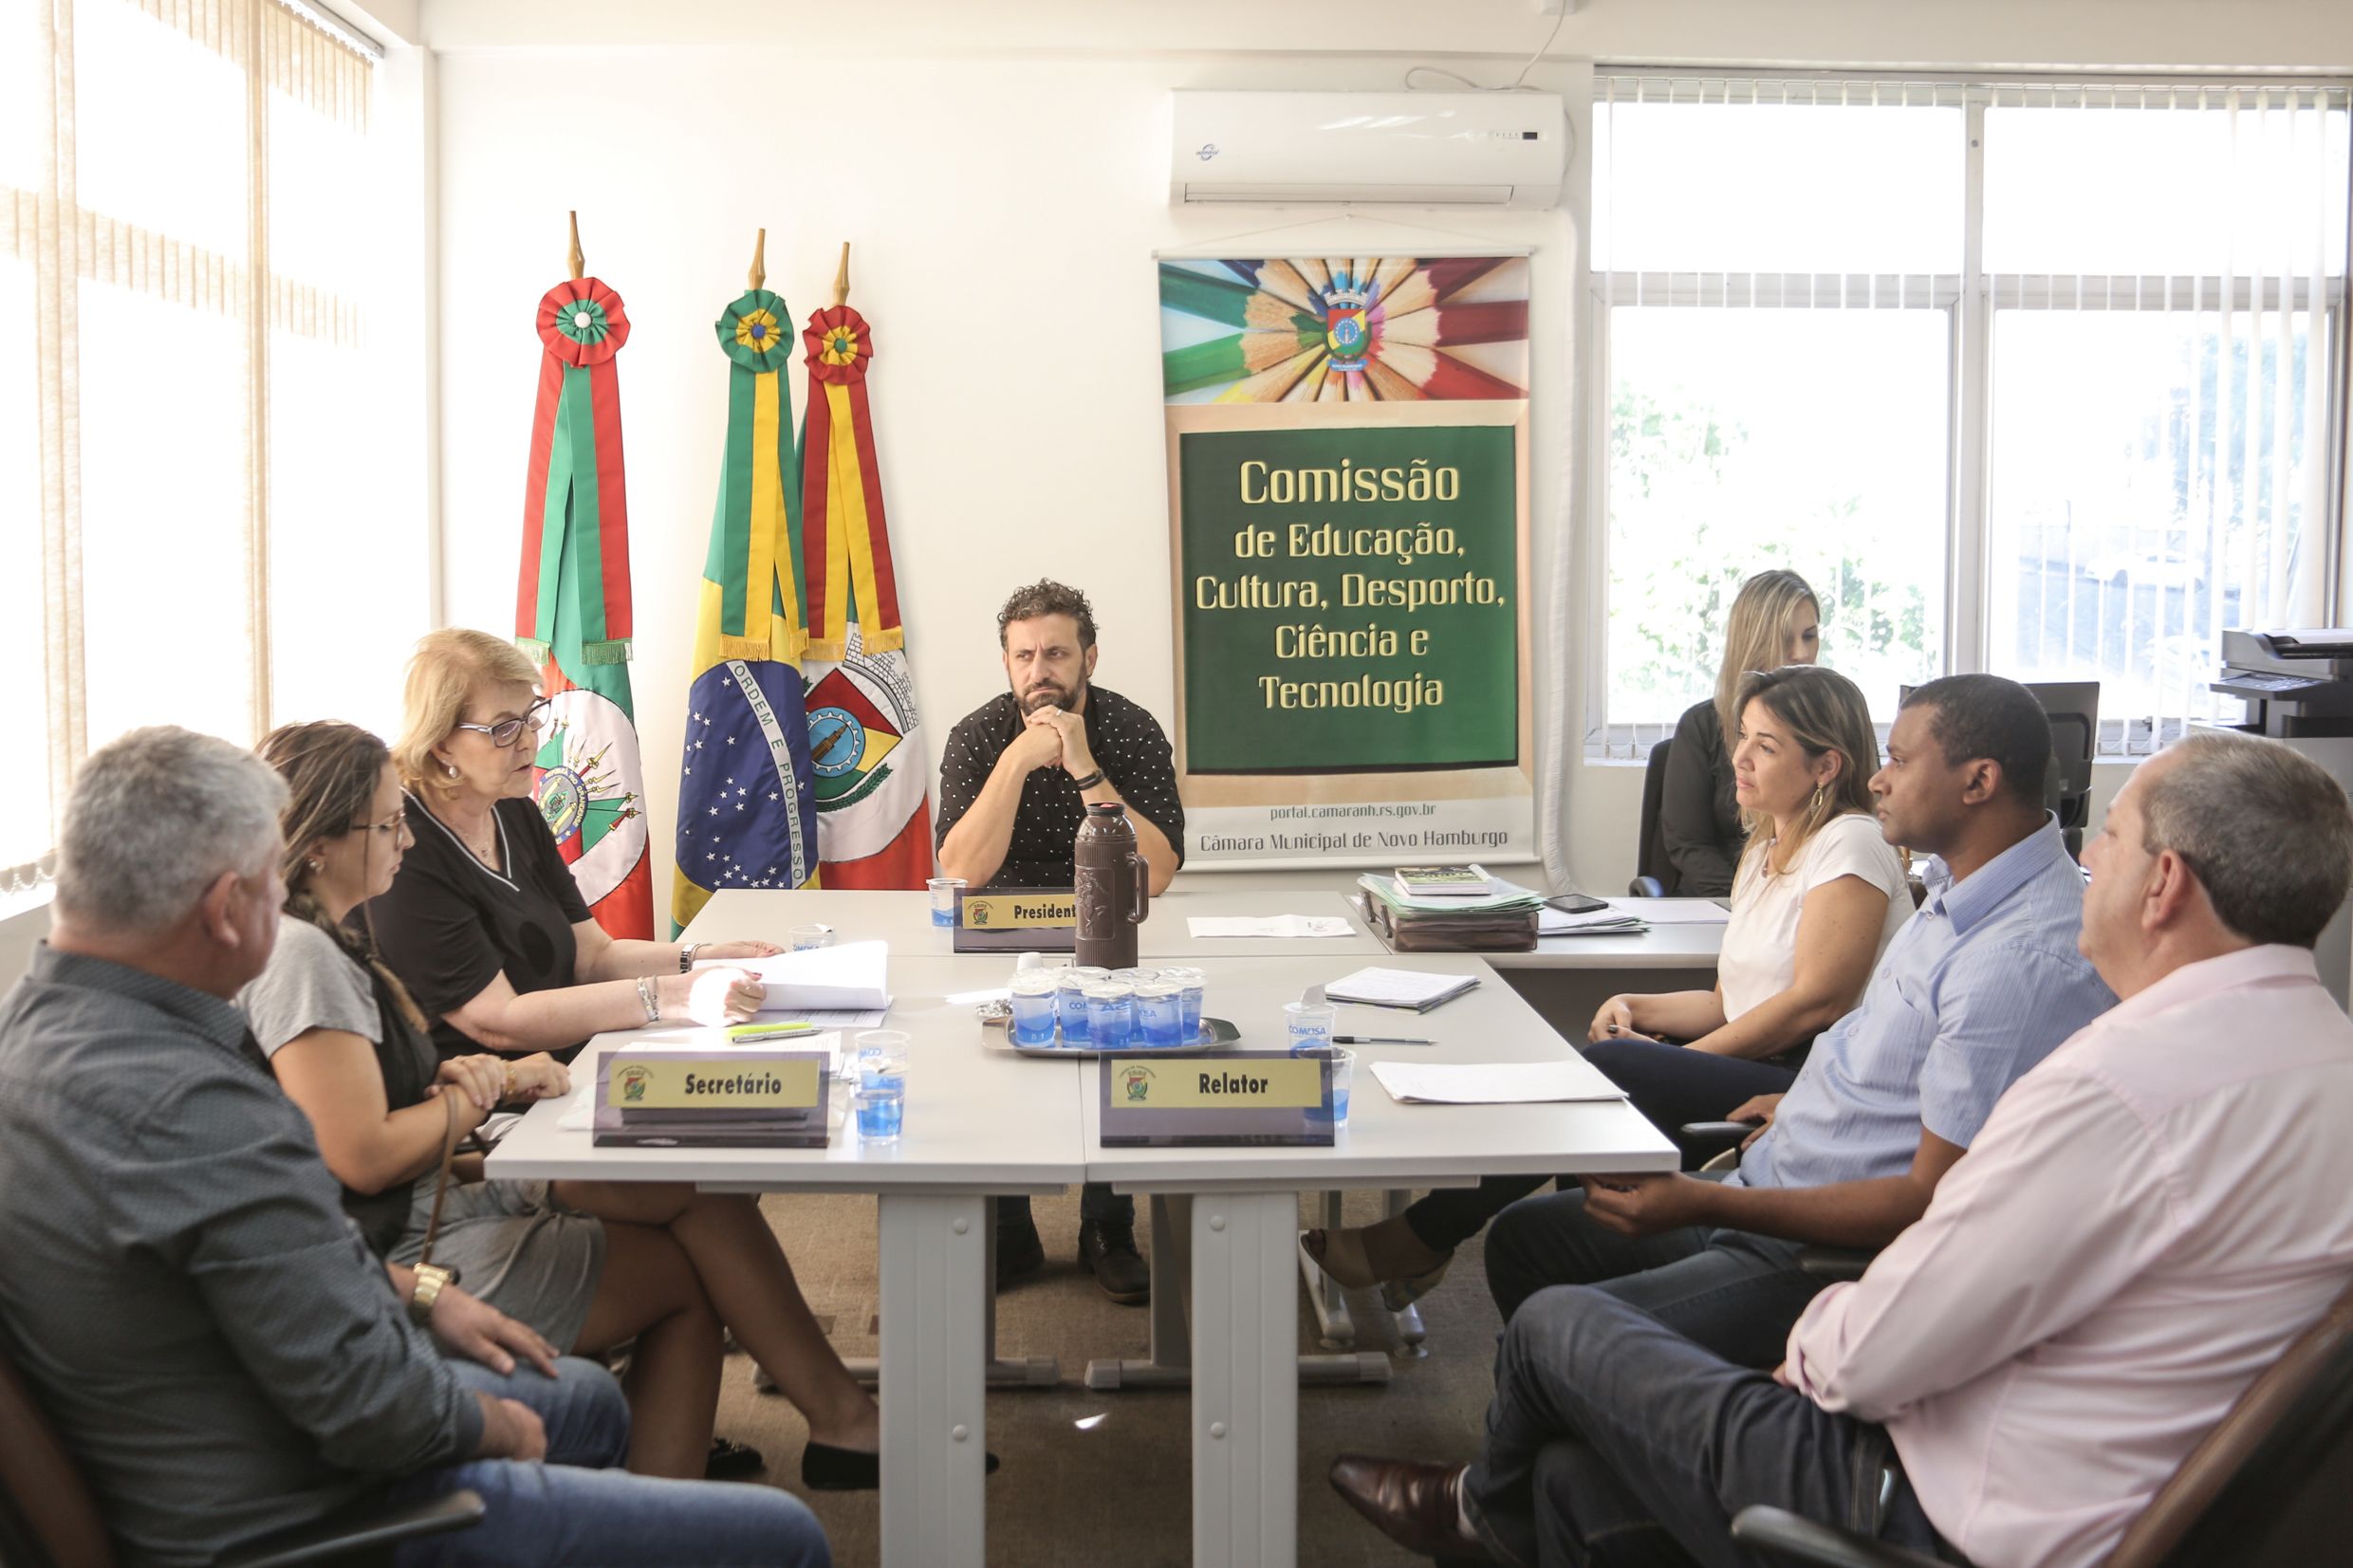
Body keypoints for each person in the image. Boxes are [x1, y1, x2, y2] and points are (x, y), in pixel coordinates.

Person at [1329, 729, 2353, 1568]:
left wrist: (1801, 1350)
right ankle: (1494, 1516)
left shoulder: (2118, 1085)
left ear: (2162, 883)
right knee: (1564, 1486)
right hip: (2109, 1490)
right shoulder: (2321, 1060)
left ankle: (1475, 1512)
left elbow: (1888, 1343)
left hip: (1936, 1507)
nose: (2086, 866)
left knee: (1558, 1329)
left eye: (2111, 841)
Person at [0, 727, 830, 1568]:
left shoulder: (29, 1040)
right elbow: (369, 1404)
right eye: (267, 883)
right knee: (779, 1534)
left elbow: (238, 1265)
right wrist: (495, 1426)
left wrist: (420, 1289)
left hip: (192, 1444)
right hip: (303, 1510)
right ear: (225, 907)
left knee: (590, 1401)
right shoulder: (198, 1105)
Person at [242, 721, 889, 1487]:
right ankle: (665, 1518)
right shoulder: (304, 956)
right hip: (405, 1234)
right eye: (387, 825)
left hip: (445, 1176)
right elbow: (361, 1157)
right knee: (684, 1282)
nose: (405, 841)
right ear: (317, 843)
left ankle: (841, 1424)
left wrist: (474, 1089)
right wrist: (481, 1092)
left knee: (690, 1188)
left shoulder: (327, 934)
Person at [1481, 673, 2114, 1369]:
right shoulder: (1958, 888)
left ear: (1978, 781)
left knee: (1556, 1322)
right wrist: (1799, 1099)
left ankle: (1504, 1460)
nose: (1879, 779)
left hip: (1809, 1247)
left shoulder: (2012, 958)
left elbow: (1927, 1198)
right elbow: (1882, 1052)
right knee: (1523, 1240)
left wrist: (1704, 1202)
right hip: (1774, 1166)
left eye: (1900, 760)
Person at [1306, 665, 1910, 1306]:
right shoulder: (1766, 851)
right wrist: (1633, 1004)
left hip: (1808, 1080)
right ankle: (1565, 1286)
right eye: (1743, 737)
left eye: (1766, 745)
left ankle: (1427, 1236)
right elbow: (1729, 1000)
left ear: (1825, 766)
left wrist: (1674, 1062)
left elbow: (1817, 1002)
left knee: (1608, 1073)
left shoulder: (1850, 842)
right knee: (1601, 1077)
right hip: (1762, 1053)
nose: (1739, 757)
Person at [936, 579, 1186, 1304]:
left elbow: (1159, 870)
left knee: (1117, 1049)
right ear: (1007, 662)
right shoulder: (978, 735)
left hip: (1111, 925)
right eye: (1024, 655)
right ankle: (1010, 1224)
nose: (1039, 670)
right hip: (1004, 936)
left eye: (1055, 653)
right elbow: (962, 869)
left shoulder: (1133, 730)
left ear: (1089, 658)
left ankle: (1107, 1224)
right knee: (995, 1056)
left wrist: (1083, 766)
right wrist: (1018, 759)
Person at [370, 628, 774, 1065]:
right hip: (490, 1105)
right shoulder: (405, 847)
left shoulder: (513, 810)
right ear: (442, 743)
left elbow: (594, 957)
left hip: (565, 1069)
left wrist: (702, 957)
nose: (528, 740)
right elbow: (497, 1021)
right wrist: (673, 996)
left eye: (531, 715)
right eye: (503, 727)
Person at [1656, 569, 1821, 896]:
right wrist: (1749, 899)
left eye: (1810, 635)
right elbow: (1689, 845)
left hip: (1805, 898)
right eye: (1785, 638)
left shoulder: (1830, 727)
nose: (1801, 653)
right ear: (1755, 640)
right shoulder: (1701, 726)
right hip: (1720, 901)